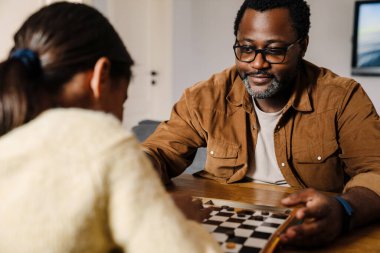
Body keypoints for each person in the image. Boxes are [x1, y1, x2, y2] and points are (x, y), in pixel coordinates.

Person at [142, 0, 380, 247]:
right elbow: (158, 152)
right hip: (221, 226)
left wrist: (343, 210)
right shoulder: (205, 97)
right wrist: (135, 168)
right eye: (246, 49)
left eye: (275, 50)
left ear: (303, 46)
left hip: (304, 230)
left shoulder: (342, 98)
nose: (257, 64)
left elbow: (376, 171)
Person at [0, 2, 222, 253]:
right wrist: (176, 223)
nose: (120, 117)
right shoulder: (106, 143)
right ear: (100, 76)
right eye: (123, 99)